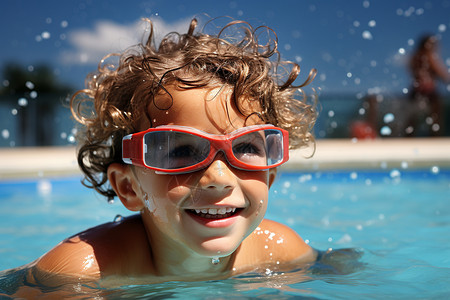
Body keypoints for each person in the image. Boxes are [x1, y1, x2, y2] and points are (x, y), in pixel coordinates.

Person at [22, 17, 318, 288]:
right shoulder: (79, 274)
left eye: (245, 147)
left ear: (269, 177)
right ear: (129, 187)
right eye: (184, 150)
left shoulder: (282, 253)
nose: (219, 178)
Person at [407, 34, 450, 136]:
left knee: (412, 118)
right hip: (429, 92)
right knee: (435, 118)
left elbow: (412, 71)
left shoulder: (415, 57)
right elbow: (442, 74)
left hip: (415, 90)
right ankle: (435, 138)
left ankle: (408, 138)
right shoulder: (429, 57)